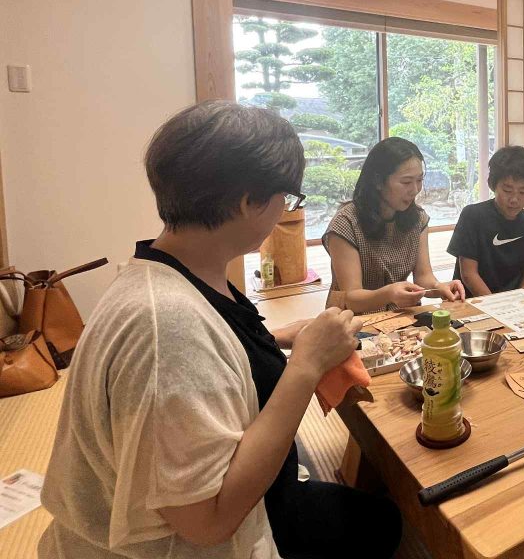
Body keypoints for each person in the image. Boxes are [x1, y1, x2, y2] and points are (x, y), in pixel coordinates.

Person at [38, 101, 401, 559]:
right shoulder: (166, 327)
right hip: (200, 538)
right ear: (250, 201)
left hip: (265, 496)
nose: (285, 212)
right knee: (384, 524)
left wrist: (275, 338)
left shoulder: (173, 270)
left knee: (375, 515)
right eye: (286, 198)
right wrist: (306, 365)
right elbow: (207, 521)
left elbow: (211, 347)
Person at [323, 137, 464, 314]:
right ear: (378, 181)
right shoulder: (346, 223)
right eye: (406, 182)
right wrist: (388, 294)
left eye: (419, 180)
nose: (415, 190)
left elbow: (423, 277)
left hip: (400, 316)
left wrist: (439, 287)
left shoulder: (418, 219)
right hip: (352, 320)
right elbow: (351, 298)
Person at [447, 146, 524, 297]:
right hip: (473, 300)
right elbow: (468, 274)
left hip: (514, 302)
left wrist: (521, 300)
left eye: (523, 192)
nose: (514, 199)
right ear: (493, 185)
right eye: (507, 190)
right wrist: (496, 304)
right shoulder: (473, 216)